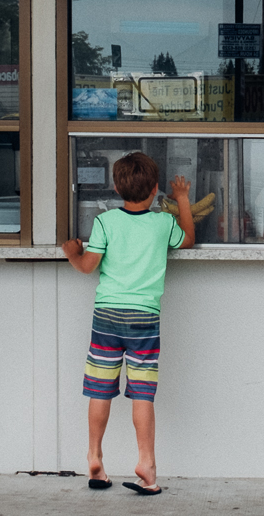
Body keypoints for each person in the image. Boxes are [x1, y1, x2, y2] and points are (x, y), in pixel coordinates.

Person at [62, 152, 194, 495]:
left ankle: (94, 456)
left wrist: (72, 252)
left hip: (107, 316)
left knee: (99, 388)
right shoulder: (164, 224)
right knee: (142, 394)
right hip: (144, 318)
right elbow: (188, 239)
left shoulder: (105, 223)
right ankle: (146, 465)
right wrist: (181, 200)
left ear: (117, 188)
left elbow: (88, 266)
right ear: (154, 189)